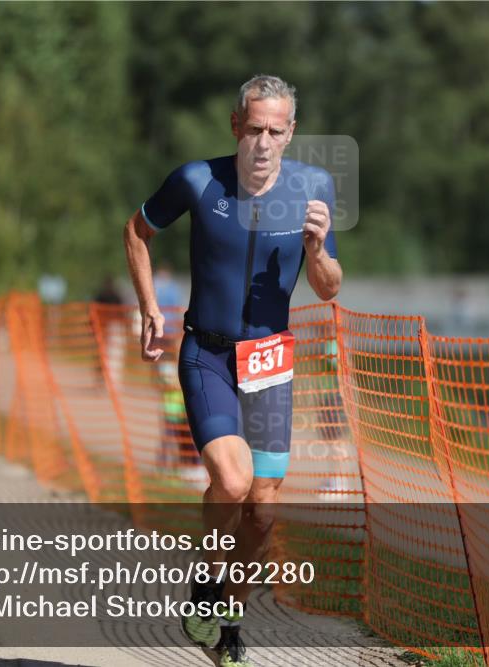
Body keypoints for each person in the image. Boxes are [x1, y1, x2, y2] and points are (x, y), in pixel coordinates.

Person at [123, 74, 342, 667]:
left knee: (264, 509)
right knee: (234, 478)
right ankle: (206, 573)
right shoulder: (198, 179)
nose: (263, 142)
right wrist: (149, 306)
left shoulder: (314, 187)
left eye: (275, 130)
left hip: (269, 359)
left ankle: (231, 620)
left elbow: (328, 289)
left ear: (291, 132)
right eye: (253, 129)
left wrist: (319, 252)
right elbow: (137, 232)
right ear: (234, 126)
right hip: (209, 352)